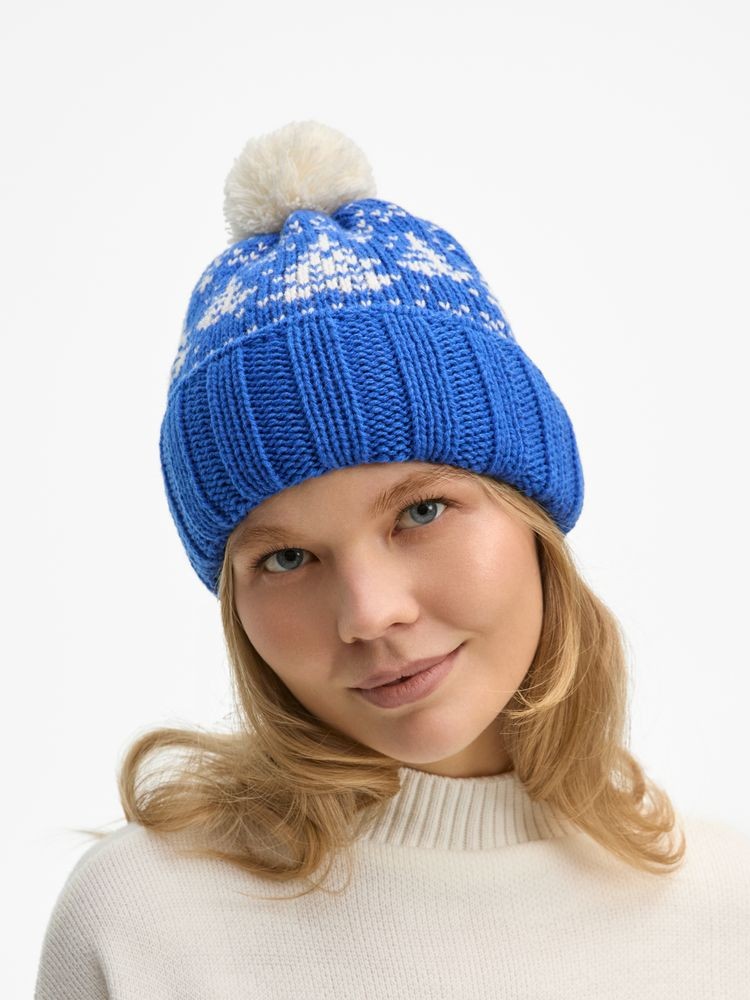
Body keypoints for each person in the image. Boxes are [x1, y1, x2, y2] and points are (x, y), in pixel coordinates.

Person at [34, 120, 750, 999]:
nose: (370, 613)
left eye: (421, 512)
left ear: (533, 516)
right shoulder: (142, 921)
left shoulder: (725, 914)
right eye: (286, 559)